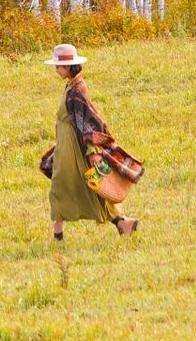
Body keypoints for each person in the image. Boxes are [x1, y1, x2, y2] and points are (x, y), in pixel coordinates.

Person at [39, 42, 142, 241]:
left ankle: (57, 239)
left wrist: (93, 150)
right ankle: (123, 223)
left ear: (69, 67)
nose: (56, 69)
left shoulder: (77, 90)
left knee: (58, 188)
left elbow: (89, 121)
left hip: (73, 149)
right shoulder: (71, 86)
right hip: (67, 146)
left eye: (58, 66)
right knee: (88, 189)